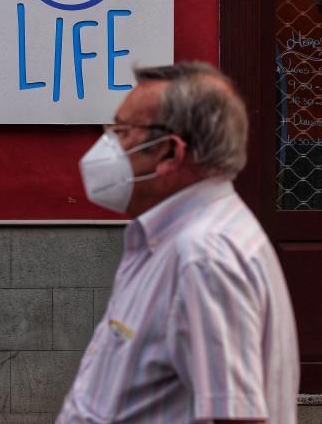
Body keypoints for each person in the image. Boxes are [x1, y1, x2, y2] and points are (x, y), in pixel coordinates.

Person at [56, 61, 299, 424]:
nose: (108, 145)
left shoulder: (204, 256)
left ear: (170, 153)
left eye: (122, 131)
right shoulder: (167, 240)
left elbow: (236, 418)